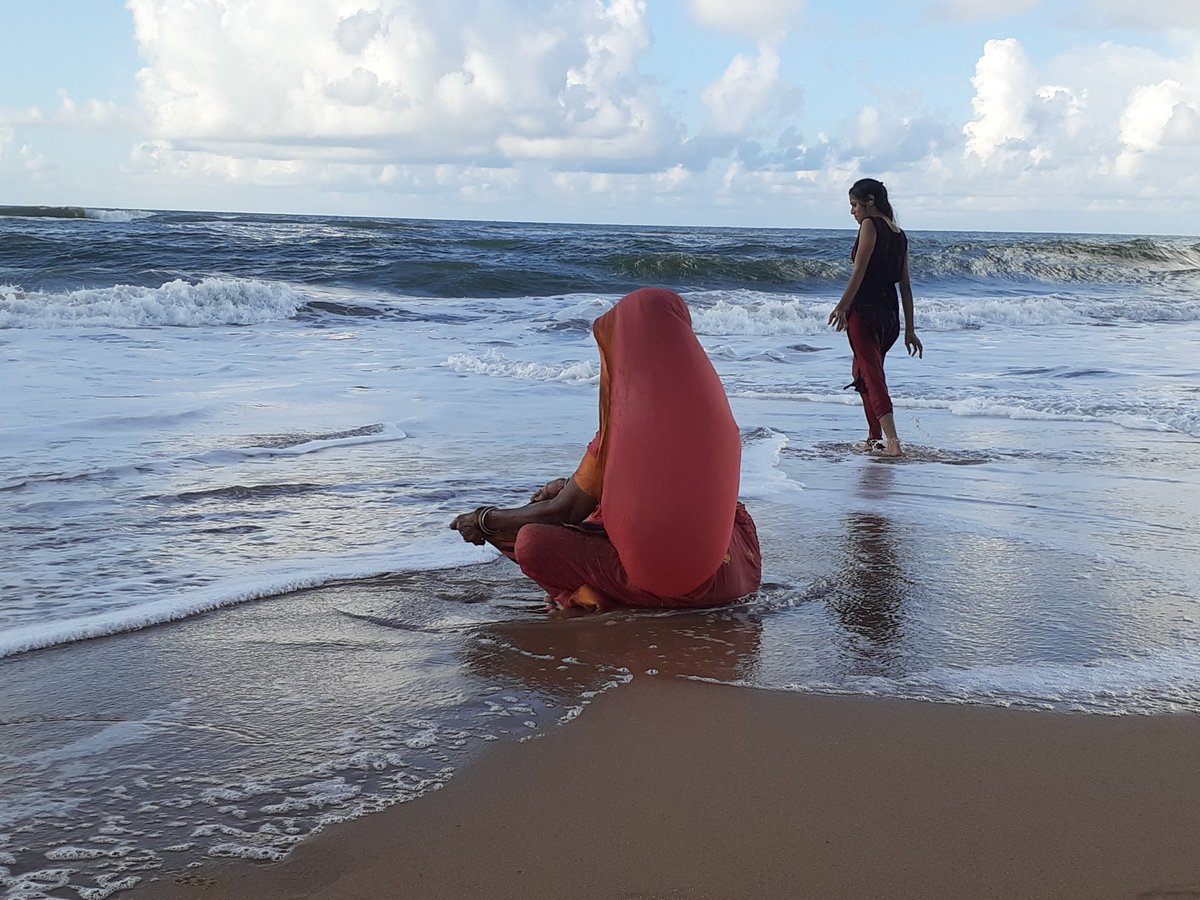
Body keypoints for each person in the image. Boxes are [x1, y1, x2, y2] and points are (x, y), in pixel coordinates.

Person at [450, 288, 762, 611]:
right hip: (735, 573)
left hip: (675, 589)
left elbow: (563, 511)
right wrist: (581, 489)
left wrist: (484, 519)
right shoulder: (714, 413)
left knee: (531, 540)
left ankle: (593, 596)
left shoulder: (619, 431)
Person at [827, 178, 923, 456]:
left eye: (855, 205)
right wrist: (909, 329)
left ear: (870, 201)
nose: (853, 212)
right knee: (862, 373)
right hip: (889, 315)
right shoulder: (899, 234)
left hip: (865, 310)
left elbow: (859, 271)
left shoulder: (870, 225)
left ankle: (892, 442)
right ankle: (874, 438)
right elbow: (905, 286)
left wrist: (842, 307)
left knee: (871, 374)